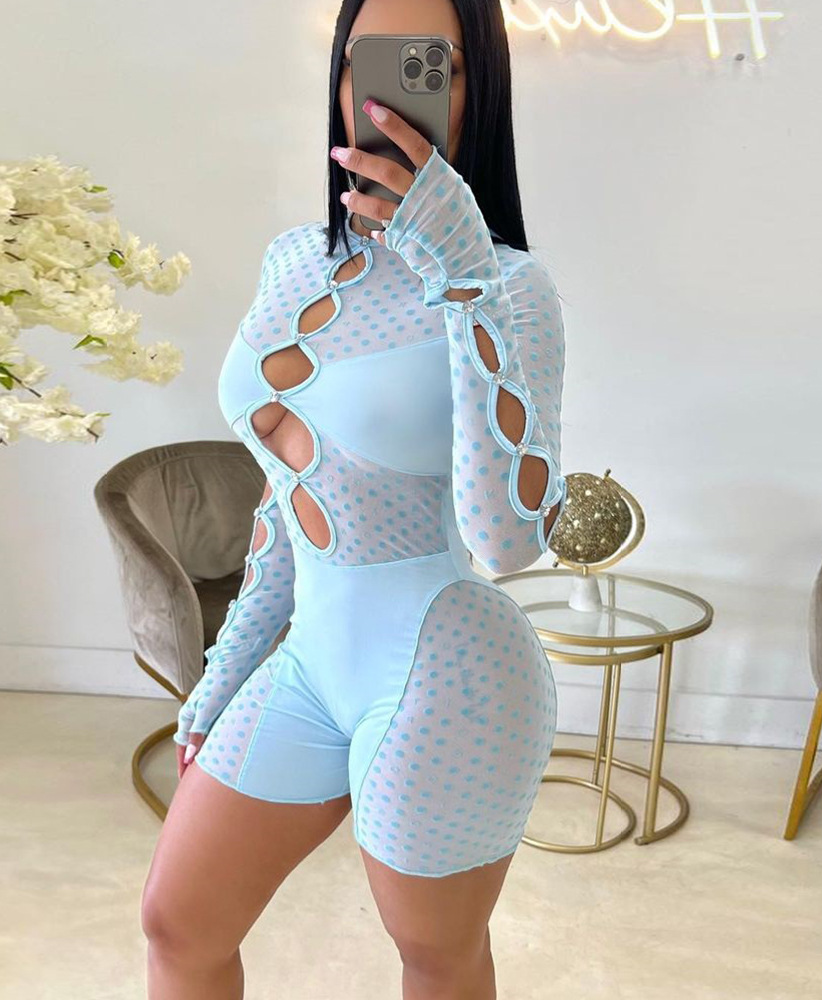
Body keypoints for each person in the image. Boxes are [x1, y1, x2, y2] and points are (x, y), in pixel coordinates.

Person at [140, 0, 568, 996]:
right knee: (177, 923)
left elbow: (507, 541)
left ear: (478, 91)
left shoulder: (514, 287)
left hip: (446, 669)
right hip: (308, 660)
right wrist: (225, 671)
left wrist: (463, 278)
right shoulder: (294, 259)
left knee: (435, 957)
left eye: (435, 64)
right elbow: (286, 496)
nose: (390, 92)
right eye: (367, 60)